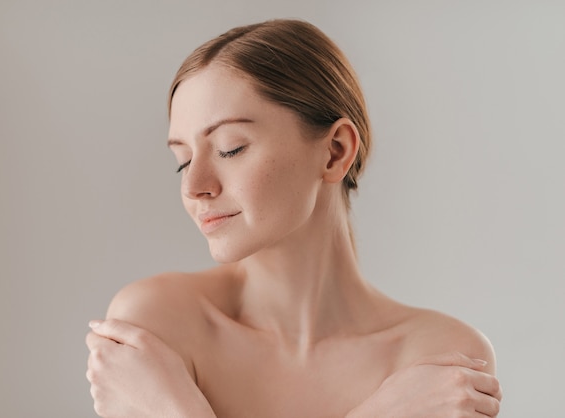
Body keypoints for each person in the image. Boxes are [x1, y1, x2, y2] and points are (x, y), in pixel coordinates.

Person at [86, 19, 502, 417]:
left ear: (335, 151)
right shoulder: (157, 322)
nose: (194, 185)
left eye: (230, 148)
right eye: (183, 160)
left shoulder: (440, 361)